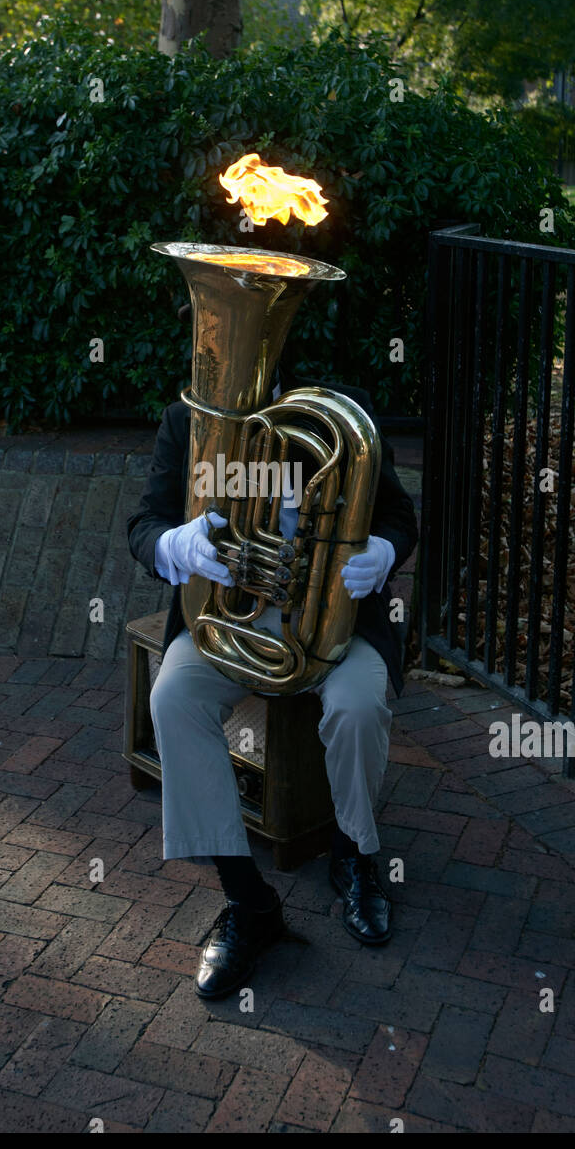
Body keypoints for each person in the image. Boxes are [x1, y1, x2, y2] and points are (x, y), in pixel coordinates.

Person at [126, 357, 418, 999]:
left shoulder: (339, 412)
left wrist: (384, 551)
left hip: (333, 622)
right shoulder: (185, 422)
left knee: (357, 707)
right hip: (229, 621)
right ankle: (247, 900)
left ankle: (355, 854)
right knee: (172, 697)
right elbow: (141, 527)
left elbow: (400, 514)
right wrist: (175, 547)